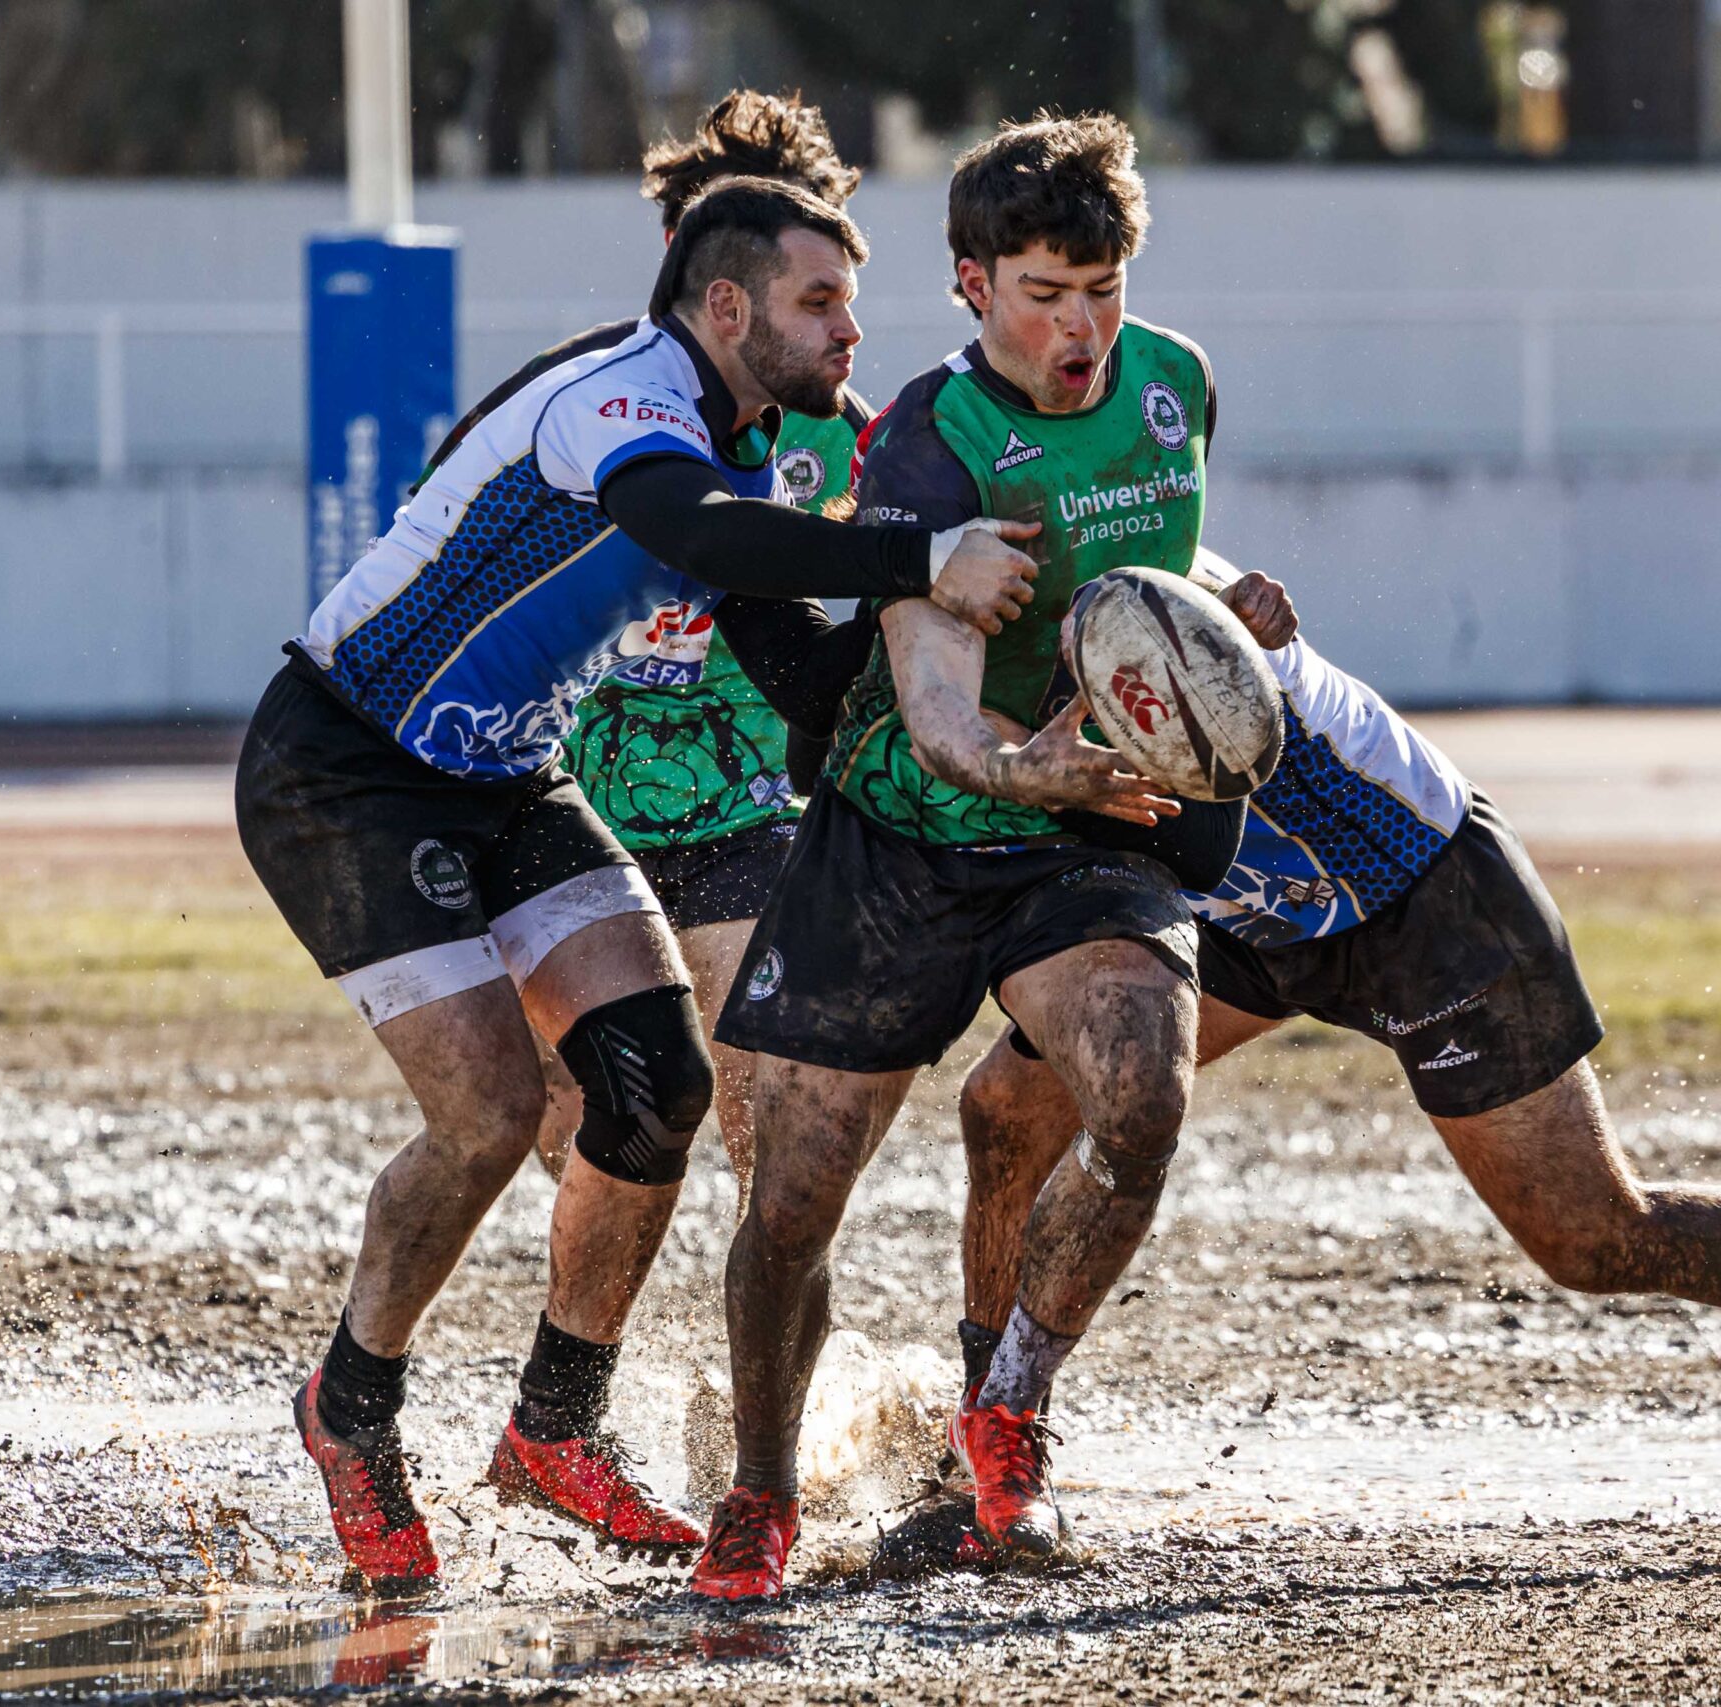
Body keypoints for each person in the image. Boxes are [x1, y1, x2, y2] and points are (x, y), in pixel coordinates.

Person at [233, 176, 1040, 1594]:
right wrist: (918, 556)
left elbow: (801, 675)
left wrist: (951, 662)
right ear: (726, 307)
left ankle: (554, 1426)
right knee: (489, 1114)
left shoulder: (738, 446)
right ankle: (348, 1407)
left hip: (504, 776)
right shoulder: (623, 397)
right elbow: (703, 534)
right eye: (819, 302)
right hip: (346, 769)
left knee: (659, 1082)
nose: (850, 331)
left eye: (849, 303)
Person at [942, 549, 1721, 1542]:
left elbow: (1192, 621)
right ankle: (984, 1445)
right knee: (1008, 1109)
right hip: (1256, 910)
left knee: (1593, 1236)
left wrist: (1236, 612)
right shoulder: (936, 622)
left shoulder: (1115, 556)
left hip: (1420, 894)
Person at [689, 112, 1230, 1600]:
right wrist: (1014, 762)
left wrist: (1230, 607)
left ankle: (1006, 1412)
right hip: (904, 834)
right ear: (974, 284)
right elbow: (933, 711)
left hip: (1084, 826)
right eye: (1043, 294)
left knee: (1143, 1096)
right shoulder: (931, 443)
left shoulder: (1177, 383)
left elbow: (1149, 572)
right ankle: (760, 1493)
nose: (1080, 328)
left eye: (1102, 289)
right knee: (792, 1203)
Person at [490, 91, 876, 1204]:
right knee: (577, 1116)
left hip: (744, 805)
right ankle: (612, 1301)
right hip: (567, 792)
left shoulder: (848, 431)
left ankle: (761, 1310)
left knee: (768, 1107)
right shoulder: (581, 398)